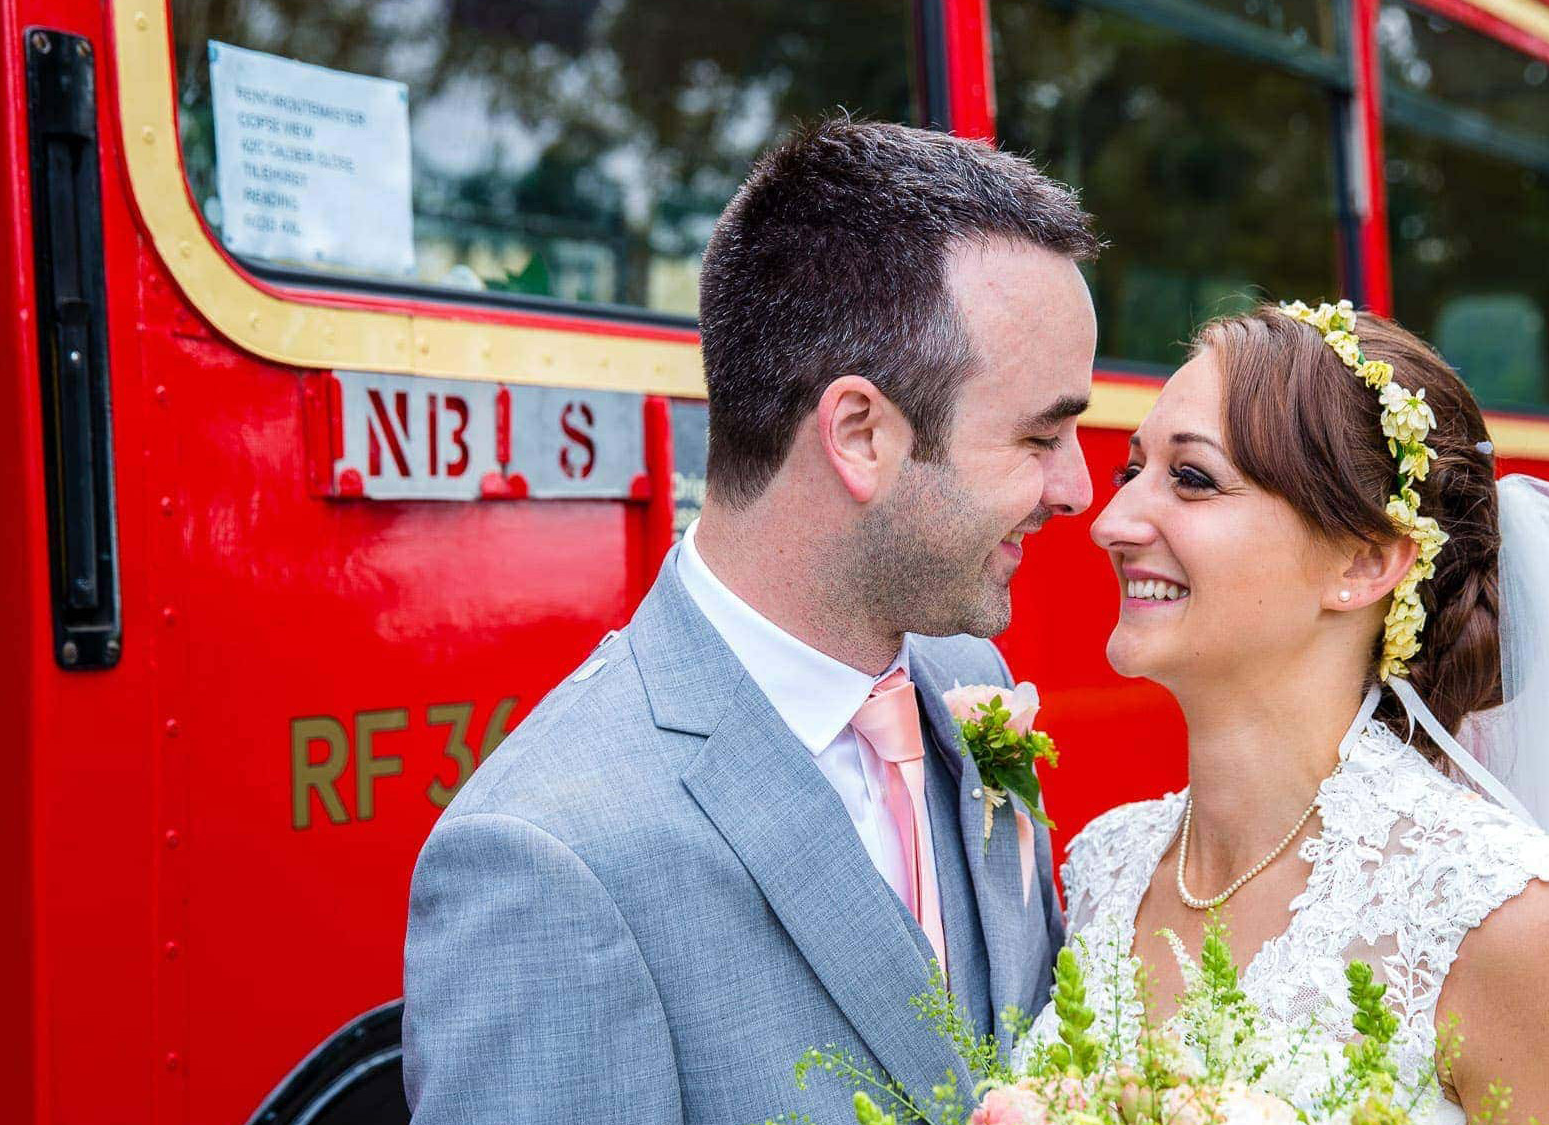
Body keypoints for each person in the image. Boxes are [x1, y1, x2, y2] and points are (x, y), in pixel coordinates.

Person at [402, 118, 1101, 1125]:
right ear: (858, 435)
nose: (1076, 489)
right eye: (1039, 436)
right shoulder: (548, 859)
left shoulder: (964, 681)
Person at [1018, 300, 1549, 1125]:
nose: (1110, 523)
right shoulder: (1104, 867)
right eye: (1130, 472)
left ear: (1366, 561)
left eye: (1191, 478)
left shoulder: (1521, 926)